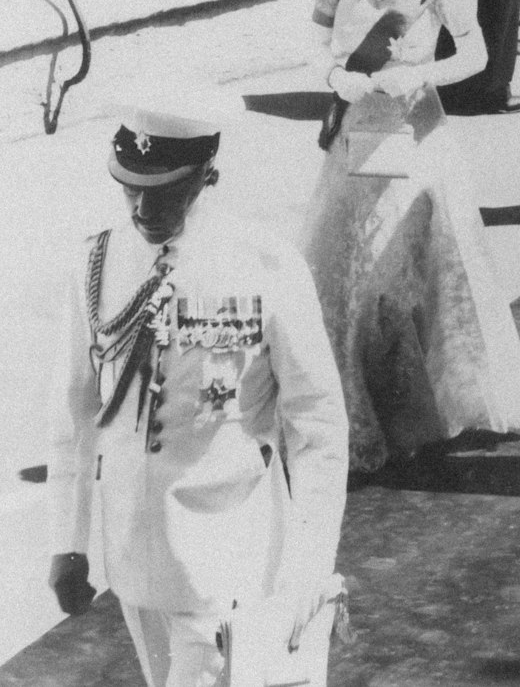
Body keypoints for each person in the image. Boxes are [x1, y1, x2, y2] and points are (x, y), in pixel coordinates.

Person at [47, 98, 350, 687]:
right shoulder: (98, 263)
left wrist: (311, 564)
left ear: (207, 171)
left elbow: (317, 421)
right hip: (132, 558)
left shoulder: (264, 263)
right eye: (129, 188)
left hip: (227, 558)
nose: (142, 206)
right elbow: (74, 413)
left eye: (163, 189)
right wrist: (68, 540)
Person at [300, 0, 520, 472]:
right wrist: (337, 78)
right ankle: (344, 406)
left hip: (413, 131)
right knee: (344, 271)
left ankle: (417, 409)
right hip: (356, 133)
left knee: (400, 270)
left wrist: (420, 75)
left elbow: (478, 55)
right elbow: (316, 46)